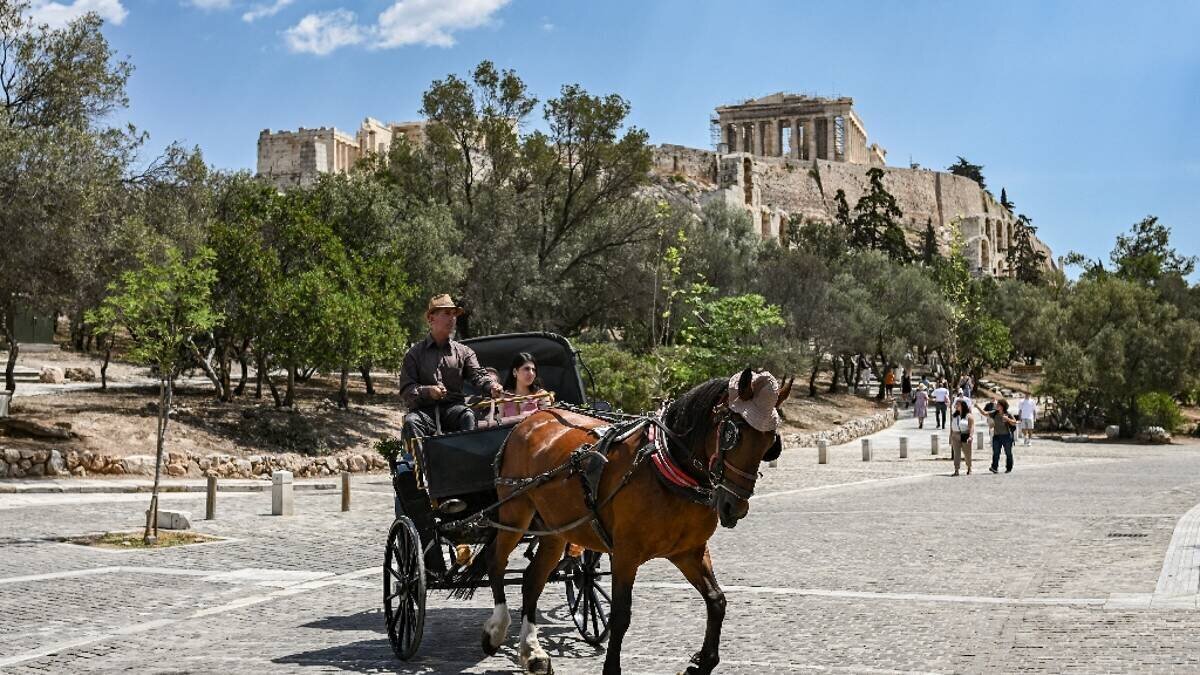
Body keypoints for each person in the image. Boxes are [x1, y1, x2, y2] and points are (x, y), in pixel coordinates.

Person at [397, 294, 504, 444]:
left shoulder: (464, 352)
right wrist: (428, 391)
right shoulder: (414, 354)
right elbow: (406, 390)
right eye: (447, 313)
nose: (452, 318)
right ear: (431, 319)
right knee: (411, 422)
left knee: (467, 415)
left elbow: (478, 375)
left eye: (454, 314)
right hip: (424, 412)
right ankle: (422, 466)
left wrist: (491, 386)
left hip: (454, 409)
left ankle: (468, 461)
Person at [500, 352, 551, 418]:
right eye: (526, 369)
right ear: (515, 372)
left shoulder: (541, 395)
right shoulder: (504, 397)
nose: (531, 373)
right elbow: (498, 424)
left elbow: (547, 420)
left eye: (533, 370)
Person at [979, 398, 1018, 474]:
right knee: (996, 453)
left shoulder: (1008, 414)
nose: (996, 405)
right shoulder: (994, 413)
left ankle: (1009, 467)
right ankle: (994, 467)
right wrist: (977, 407)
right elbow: (984, 413)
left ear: (1002, 406)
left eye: (998, 405)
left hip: (1006, 436)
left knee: (1008, 453)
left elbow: (1014, 422)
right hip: (996, 436)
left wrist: (1008, 419)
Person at [948, 399, 974, 476]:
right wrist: (950, 437)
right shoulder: (954, 416)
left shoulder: (968, 416)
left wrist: (971, 436)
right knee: (956, 453)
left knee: (967, 453)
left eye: (958, 404)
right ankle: (956, 469)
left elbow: (972, 427)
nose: (956, 406)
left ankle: (969, 467)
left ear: (963, 406)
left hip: (965, 434)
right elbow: (952, 427)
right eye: (956, 404)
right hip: (955, 435)